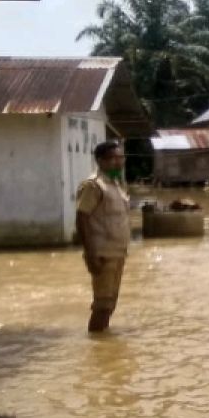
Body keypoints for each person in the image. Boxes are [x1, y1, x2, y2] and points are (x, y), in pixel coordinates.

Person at [76, 140, 131, 333]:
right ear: (100, 161)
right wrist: (90, 254)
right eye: (113, 159)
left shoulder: (116, 185)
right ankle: (95, 344)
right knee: (102, 305)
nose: (118, 162)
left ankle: (102, 345)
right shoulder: (94, 185)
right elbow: (82, 218)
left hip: (118, 253)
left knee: (110, 304)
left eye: (120, 158)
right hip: (102, 255)